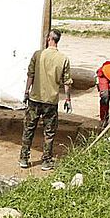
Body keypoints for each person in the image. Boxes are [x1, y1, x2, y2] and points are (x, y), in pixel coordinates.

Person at [20, 30, 73, 171]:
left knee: (29, 129)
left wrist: (26, 92)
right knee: (49, 132)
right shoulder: (63, 58)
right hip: (51, 101)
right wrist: (68, 99)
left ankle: (24, 158)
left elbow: (30, 75)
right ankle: (46, 161)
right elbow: (67, 82)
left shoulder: (37, 55)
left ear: (49, 39)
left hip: (35, 99)